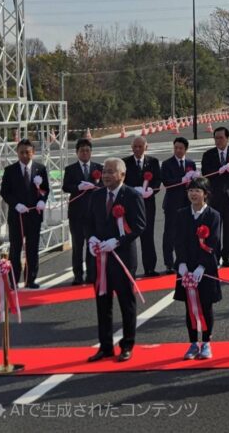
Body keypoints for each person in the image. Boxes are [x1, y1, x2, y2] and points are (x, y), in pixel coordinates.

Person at [86, 157, 146, 363]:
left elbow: (139, 226)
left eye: (111, 172)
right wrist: (91, 238)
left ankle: (127, 344)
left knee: (126, 303)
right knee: (102, 304)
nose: (106, 175)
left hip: (122, 258)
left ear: (122, 174)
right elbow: (88, 223)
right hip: (100, 259)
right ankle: (105, 346)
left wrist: (117, 241)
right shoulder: (96, 195)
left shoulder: (131, 195)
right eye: (104, 171)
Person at [174, 176, 221, 360]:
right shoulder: (181, 214)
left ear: (205, 194)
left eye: (197, 191)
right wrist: (182, 264)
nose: (193, 194)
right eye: (190, 191)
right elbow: (178, 240)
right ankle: (193, 343)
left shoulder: (213, 216)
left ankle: (207, 342)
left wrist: (202, 266)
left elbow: (213, 242)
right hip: (186, 267)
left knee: (206, 305)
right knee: (189, 307)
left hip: (205, 268)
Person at [0, 138, 50, 289]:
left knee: (32, 248)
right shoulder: (10, 170)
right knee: (15, 248)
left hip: (34, 216)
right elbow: (5, 192)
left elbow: (45, 189)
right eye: (21, 152)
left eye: (27, 152)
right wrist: (16, 205)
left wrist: (42, 200)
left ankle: (30, 279)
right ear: (17, 153)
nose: (24, 155)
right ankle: (14, 280)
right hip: (17, 216)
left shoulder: (40, 169)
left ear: (33, 153)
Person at [201, 126, 229, 266]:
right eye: (216, 138)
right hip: (214, 196)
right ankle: (214, 255)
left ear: (227, 138)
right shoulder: (208, 154)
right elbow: (205, 172)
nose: (218, 141)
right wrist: (218, 171)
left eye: (221, 138)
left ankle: (227, 256)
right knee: (215, 227)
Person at [62, 138, 104, 285]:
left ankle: (92, 274)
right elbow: (66, 187)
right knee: (77, 246)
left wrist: (94, 186)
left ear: (91, 152)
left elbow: (105, 186)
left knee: (92, 245)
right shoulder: (70, 169)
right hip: (76, 214)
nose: (85, 153)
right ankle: (78, 275)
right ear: (77, 153)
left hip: (93, 214)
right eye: (82, 150)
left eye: (87, 150)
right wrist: (78, 187)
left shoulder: (98, 167)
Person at [123, 137, 161, 276]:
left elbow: (157, 180)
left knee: (148, 236)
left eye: (140, 146)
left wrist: (152, 190)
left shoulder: (153, 162)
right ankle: (129, 269)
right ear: (132, 148)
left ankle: (150, 268)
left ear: (146, 147)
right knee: (129, 237)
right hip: (130, 206)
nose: (138, 149)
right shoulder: (125, 163)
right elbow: (122, 182)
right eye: (135, 147)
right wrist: (134, 190)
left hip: (148, 205)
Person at [160, 137, 197, 274]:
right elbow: (166, 182)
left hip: (188, 203)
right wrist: (181, 180)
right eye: (176, 148)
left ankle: (183, 260)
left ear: (186, 149)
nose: (178, 150)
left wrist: (194, 178)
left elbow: (194, 184)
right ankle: (168, 263)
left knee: (187, 233)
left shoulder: (190, 163)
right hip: (172, 204)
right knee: (170, 233)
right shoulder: (166, 164)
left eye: (181, 148)